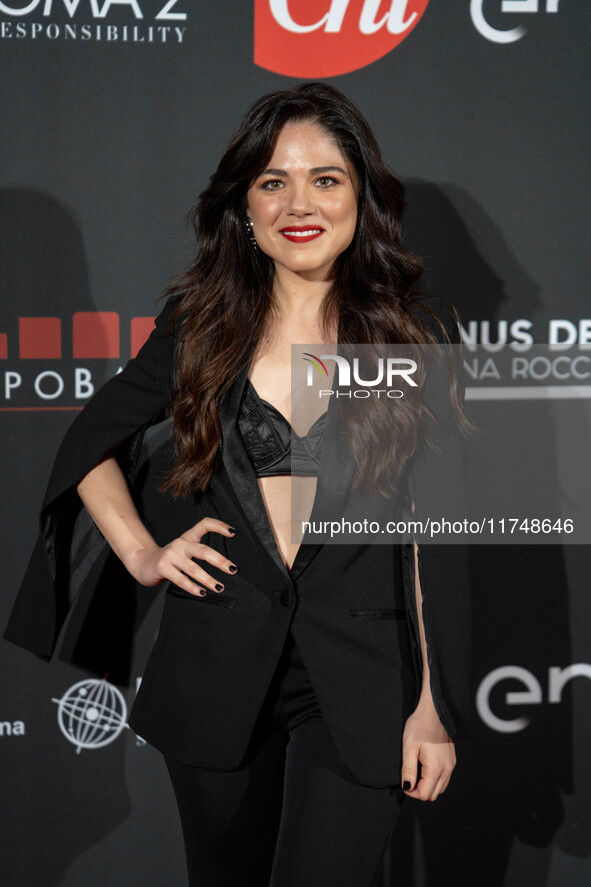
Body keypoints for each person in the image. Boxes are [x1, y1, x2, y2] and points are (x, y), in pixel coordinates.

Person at [4, 82, 473, 887]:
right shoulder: (199, 325)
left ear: (360, 196)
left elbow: (422, 534)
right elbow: (89, 441)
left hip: (359, 681)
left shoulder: (406, 333)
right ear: (245, 209)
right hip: (217, 673)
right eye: (272, 181)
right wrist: (144, 554)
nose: (300, 202)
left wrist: (429, 702)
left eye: (325, 178)